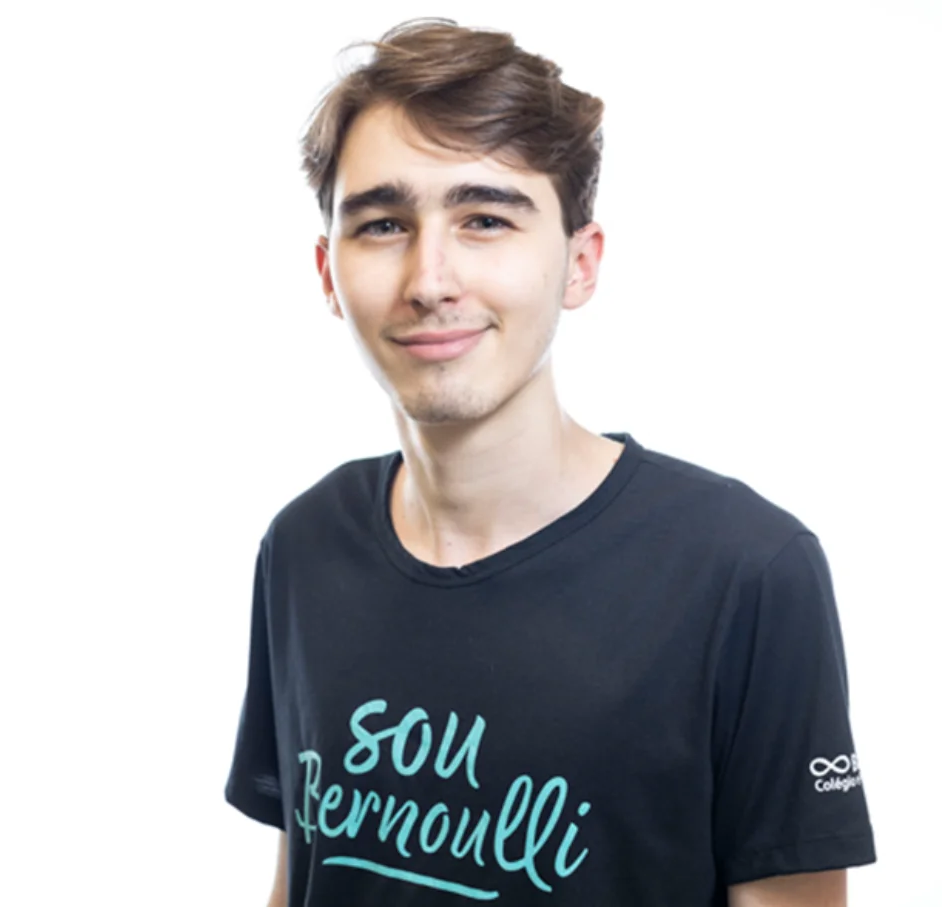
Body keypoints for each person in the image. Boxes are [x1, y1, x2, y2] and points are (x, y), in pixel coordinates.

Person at [224, 17, 876, 906]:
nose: (430, 279)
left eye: (486, 219)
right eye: (382, 224)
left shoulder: (747, 573)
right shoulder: (303, 545)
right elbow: (301, 876)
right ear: (328, 273)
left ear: (579, 263)